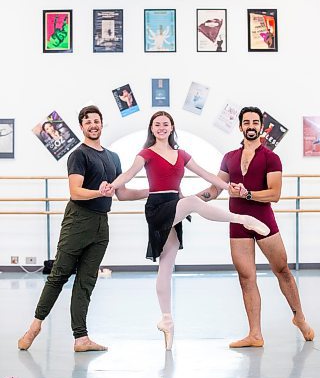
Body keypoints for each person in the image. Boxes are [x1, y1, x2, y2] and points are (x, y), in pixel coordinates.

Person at [108, 111, 270, 351]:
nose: (161, 128)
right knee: (193, 202)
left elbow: (207, 174)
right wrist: (111, 186)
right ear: (152, 129)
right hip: (158, 209)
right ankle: (242, 219)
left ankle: (167, 321)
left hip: (174, 205)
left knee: (166, 265)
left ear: (172, 127)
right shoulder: (146, 154)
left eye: (166, 124)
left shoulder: (182, 154)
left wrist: (231, 188)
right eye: (157, 125)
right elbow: (128, 174)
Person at [18, 105, 148, 352]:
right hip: (78, 220)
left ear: (102, 124)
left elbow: (121, 193)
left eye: (96, 120)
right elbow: (75, 191)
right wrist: (98, 191)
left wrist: (149, 192)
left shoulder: (113, 158)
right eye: (87, 121)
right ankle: (35, 326)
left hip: (101, 223)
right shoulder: (78, 155)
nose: (93, 125)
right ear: (81, 127)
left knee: (87, 281)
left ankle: (81, 338)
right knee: (59, 275)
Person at [199, 106, 314, 348]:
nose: (251, 126)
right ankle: (255, 334)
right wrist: (190, 201)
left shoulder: (271, 158)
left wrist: (248, 194)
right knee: (246, 277)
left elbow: (275, 194)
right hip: (238, 223)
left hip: (263, 220)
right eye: (246, 122)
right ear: (240, 126)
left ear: (261, 127)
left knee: (282, 269)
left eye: (255, 123)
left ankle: (299, 317)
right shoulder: (229, 157)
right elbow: (215, 188)